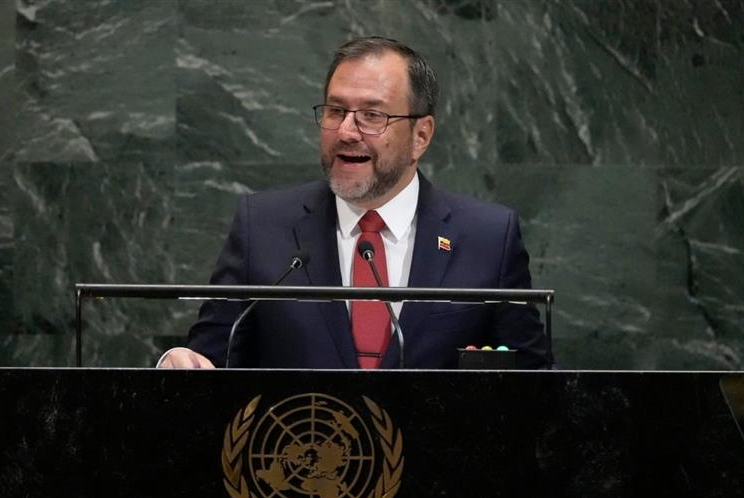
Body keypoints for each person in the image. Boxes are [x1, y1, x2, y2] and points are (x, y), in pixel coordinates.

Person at [159, 36, 549, 370]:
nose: (346, 131)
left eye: (372, 115)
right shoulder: (262, 228)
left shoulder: (488, 238)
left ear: (421, 135)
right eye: (336, 111)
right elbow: (211, 362)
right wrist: (177, 364)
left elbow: (537, 387)